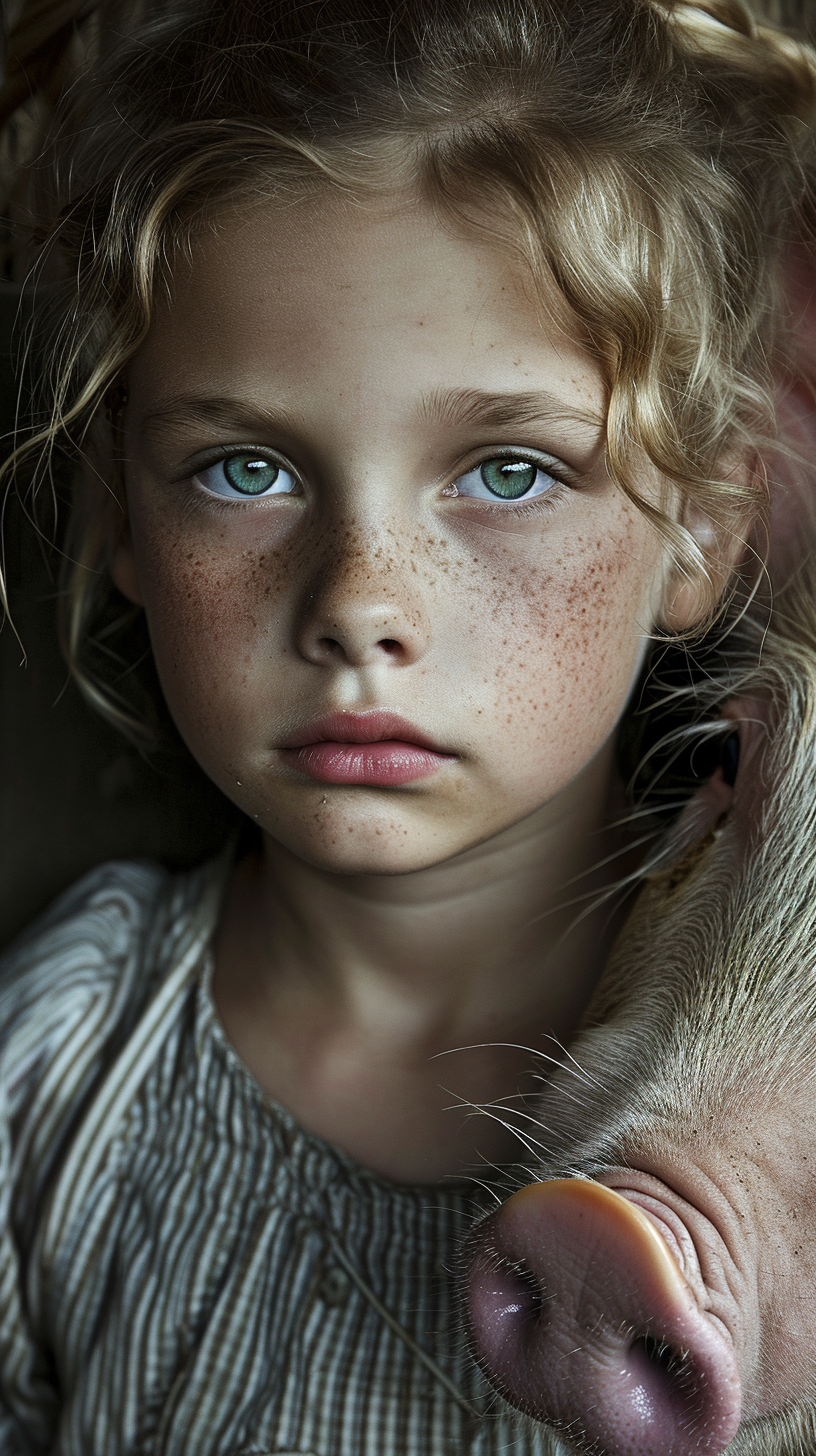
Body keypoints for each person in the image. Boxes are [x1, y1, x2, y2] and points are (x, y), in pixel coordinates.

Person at [0, 1, 815, 1451]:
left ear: (704, 524)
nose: (360, 602)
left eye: (507, 472)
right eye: (243, 467)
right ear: (120, 509)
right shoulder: (53, 1066)